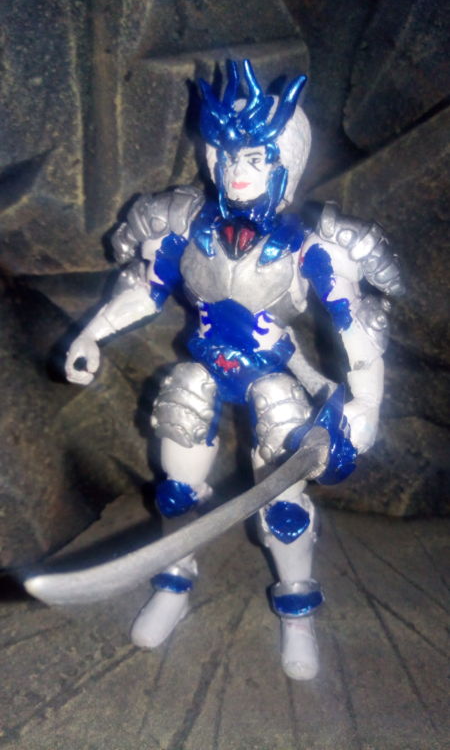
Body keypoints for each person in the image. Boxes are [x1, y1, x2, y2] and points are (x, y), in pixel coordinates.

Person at [65, 60, 402, 680]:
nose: (235, 170)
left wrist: (366, 406)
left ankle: (296, 607)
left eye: (254, 158)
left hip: (273, 375)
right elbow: (144, 290)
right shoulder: (183, 222)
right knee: (177, 479)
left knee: (283, 503)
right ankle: (174, 578)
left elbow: (355, 330)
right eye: (225, 155)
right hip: (206, 367)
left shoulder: (314, 244)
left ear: (284, 162)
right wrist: (89, 334)